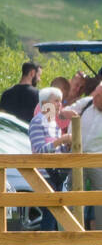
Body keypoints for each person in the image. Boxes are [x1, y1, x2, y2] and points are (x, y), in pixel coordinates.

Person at [61, 81, 102, 230]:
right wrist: (69, 114)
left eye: (99, 95)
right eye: (95, 92)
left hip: (100, 160)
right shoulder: (86, 103)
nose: (94, 96)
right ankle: (70, 236)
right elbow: (62, 112)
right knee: (72, 199)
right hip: (76, 158)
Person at [28, 86, 71, 231]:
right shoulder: (37, 122)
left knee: (54, 212)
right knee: (50, 212)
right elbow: (39, 150)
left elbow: (58, 151)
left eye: (61, 101)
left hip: (56, 174)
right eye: (56, 101)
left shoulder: (55, 125)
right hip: (43, 174)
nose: (60, 104)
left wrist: (67, 146)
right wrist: (60, 141)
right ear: (45, 103)